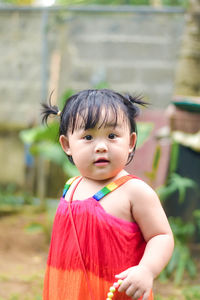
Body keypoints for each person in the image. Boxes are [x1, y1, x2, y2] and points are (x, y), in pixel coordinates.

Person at [42, 89, 174, 300]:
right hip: (67, 289)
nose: (101, 146)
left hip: (115, 292)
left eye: (112, 136)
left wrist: (146, 270)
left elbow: (161, 236)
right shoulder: (71, 186)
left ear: (131, 142)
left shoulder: (134, 191)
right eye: (88, 137)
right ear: (67, 145)